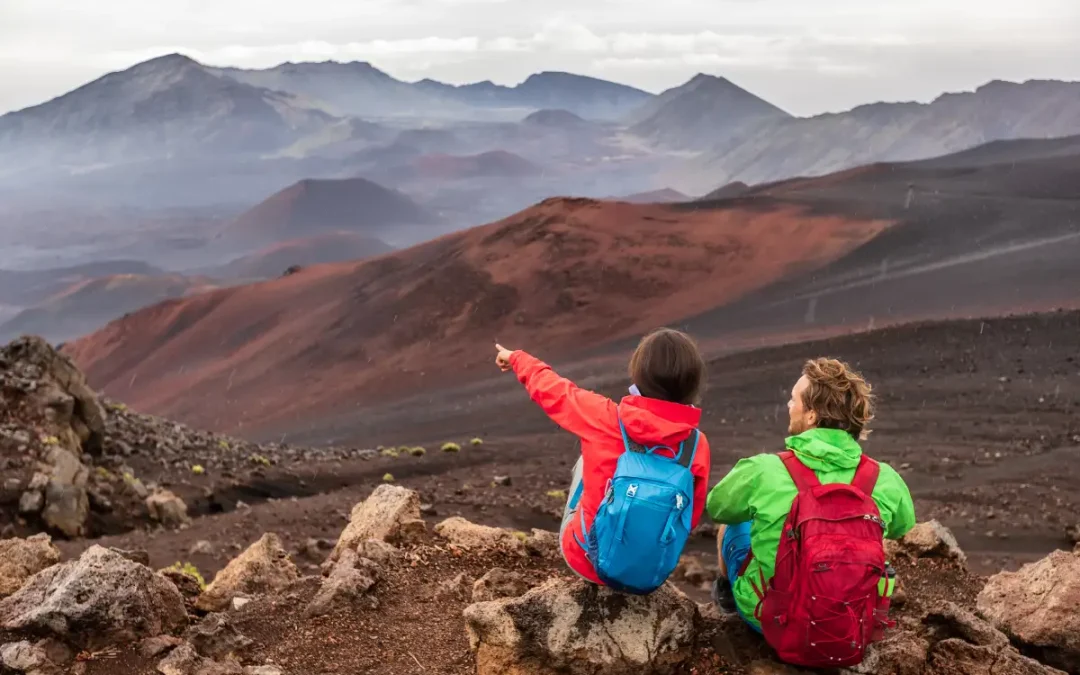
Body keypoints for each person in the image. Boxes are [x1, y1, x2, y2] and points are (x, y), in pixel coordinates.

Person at [706, 357, 915, 635]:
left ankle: (728, 600)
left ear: (812, 415)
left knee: (734, 525)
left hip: (777, 622)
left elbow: (718, 508)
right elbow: (902, 526)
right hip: (848, 624)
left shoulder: (764, 470)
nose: (789, 406)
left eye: (794, 400)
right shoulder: (883, 478)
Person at [495, 328, 711, 589]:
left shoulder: (604, 417)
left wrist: (516, 357)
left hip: (587, 561)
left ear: (639, 375)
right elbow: (691, 516)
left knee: (588, 458)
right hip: (649, 573)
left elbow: (553, 390)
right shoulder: (696, 445)